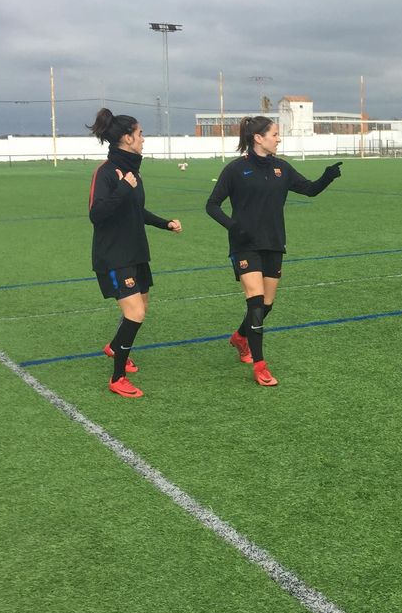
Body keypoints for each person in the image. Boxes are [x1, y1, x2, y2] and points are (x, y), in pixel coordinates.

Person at [206, 116, 342, 386]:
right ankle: (260, 367)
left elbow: (310, 190)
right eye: (275, 134)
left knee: (266, 305)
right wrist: (234, 227)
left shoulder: (282, 168)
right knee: (255, 303)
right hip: (244, 246)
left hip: (274, 243)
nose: (279, 138)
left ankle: (240, 337)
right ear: (258, 137)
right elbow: (212, 205)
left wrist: (327, 176)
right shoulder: (236, 169)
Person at [87, 108, 182, 399]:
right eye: (140, 134)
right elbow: (97, 214)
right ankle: (117, 377)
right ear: (127, 138)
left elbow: (135, 211)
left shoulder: (133, 172)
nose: (144, 139)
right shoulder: (105, 173)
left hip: (136, 252)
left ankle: (116, 347)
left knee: (142, 307)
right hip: (114, 256)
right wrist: (123, 188)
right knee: (135, 313)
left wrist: (164, 223)